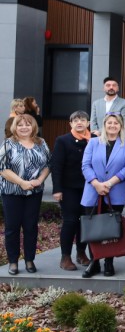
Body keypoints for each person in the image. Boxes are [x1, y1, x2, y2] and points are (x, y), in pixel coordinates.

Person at [80, 112, 125, 278]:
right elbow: (85, 165)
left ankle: (109, 261)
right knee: (93, 228)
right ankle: (94, 262)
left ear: (121, 126)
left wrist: (109, 183)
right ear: (104, 125)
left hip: (115, 192)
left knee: (111, 228)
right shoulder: (93, 142)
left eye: (116, 123)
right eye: (109, 122)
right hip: (93, 191)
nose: (112, 126)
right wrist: (96, 184)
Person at [1, 114, 51, 275]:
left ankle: (30, 259)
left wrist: (40, 180)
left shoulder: (41, 143)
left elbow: (48, 165)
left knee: (31, 227)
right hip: (12, 192)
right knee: (12, 227)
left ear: (33, 126)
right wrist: (22, 183)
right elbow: (3, 169)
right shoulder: (8, 143)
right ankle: (13, 261)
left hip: (34, 192)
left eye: (27, 124)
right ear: (15, 127)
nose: (24, 127)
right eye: (20, 125)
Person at [51, 111, 91, 271]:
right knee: (70, 221)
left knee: (85, 221)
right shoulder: (62, 140)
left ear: (88, 123)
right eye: (75, 120)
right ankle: (65, 257)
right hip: (68, 188)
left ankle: (81, 253)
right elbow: (56, 166)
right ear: (70, 124)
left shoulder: (95, 139)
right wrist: (57, 189)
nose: (79, 122)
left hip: (90, 188)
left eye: (82, 120)